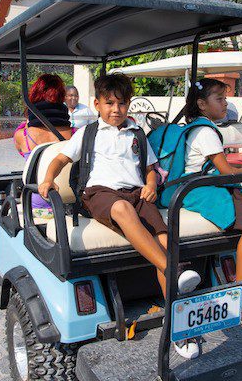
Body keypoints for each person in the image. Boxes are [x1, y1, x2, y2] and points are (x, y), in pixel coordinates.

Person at [39, 74, 202, 359]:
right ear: (97, 104)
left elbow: (150, 168)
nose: (116, 109)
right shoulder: (87, 133)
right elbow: (60, 159)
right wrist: (48, 179)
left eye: (122, 103)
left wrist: (151, 185)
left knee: (163, 239)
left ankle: (179, 327)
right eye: (110, 103)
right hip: (100, 194)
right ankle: (175, 271)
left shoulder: (136, 133)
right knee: (122, 209)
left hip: (136, 194)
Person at [182, 78, 242, 325]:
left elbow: (220, 166)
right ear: (202, 104)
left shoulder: (207, 128)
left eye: (225, 99)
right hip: (199, 189)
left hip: (209, 182)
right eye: (220, 99)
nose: (225, 104)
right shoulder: (204, 131)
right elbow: (225, 171)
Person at [14, 74, 72, 218]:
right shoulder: (74, 134)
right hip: (68, 205)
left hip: (36, 206)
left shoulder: (22, 135)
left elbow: (23, 153)